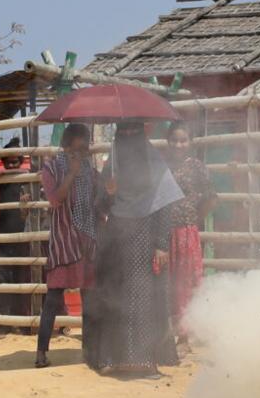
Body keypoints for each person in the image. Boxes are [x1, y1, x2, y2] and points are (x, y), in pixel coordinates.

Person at [89, 121, 183, 379]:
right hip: (118, 237)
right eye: (123, 134)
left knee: (143, 297)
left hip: (147, 235)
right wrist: (108, 193)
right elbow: (101, 205)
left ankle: (143, 360)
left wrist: (162, 245)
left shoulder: (153, 160)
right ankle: (113, 359)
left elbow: (164, 204)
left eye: (133, 134)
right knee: (114, 296)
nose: (128, 139)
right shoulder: (114, 162)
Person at [36, 124, 98, 368]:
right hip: (63, 242)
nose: (83, 149)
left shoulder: (90, 169)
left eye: (86, 145)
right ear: (68, 144)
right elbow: (54, 199)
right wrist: (71, 173)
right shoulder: (51, 167)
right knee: (52, 299)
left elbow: (97, 202)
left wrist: (107, 189)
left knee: (89, 299)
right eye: (79, 144)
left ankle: (89, 351)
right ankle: (41, 352)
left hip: (87, 240)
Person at [165, 122, 216, 346]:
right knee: (167, 279)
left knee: (185, 280)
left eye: (183, 140)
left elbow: (211, 197)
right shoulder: (163, 166)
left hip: (186, 231)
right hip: (164, 231)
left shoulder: (196, 166)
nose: (178, 144)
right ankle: (169, 329)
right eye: (174, 140)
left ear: (190, 143)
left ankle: (187, 331)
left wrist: (195, 219)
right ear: (168, 142)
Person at [0, 137, 32, 324]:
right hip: (4, 234)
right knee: (3, 277)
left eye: (15, 162)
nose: (12, 165)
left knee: (21, 278)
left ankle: (21, 321)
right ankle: (4, 321)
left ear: (21, 162)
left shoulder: (29, 179)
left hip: (23, 236)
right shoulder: (3, 180)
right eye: (8, 162)